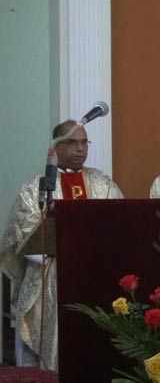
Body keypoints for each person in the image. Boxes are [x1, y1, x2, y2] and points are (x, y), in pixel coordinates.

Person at [0, 120, 123, 371]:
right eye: (71, 143)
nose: (80, 149)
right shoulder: (37, 187)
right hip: (52, 274)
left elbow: (120, 221)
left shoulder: (102, 182)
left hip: (96, 273)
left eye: (84, 143)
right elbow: (23, 234)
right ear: (55, 147)